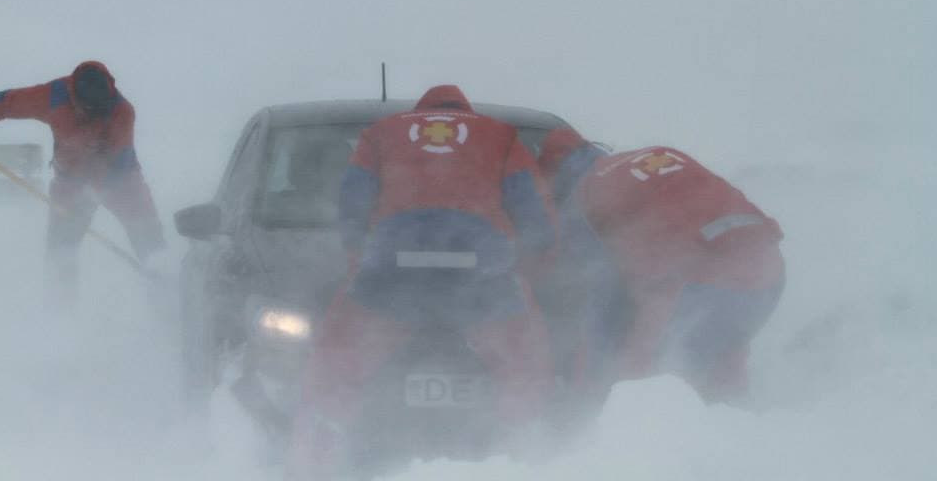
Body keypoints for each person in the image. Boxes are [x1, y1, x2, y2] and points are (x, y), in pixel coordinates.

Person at [287, 85, 556, 477]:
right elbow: (535, 214)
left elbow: (352, 201)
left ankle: (316, 455)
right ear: (465, 110)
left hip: (392, 268)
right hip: (482, 272)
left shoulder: (381, 133)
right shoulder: (500, 135)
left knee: (339, 355)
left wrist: (359, 259)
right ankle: (531, 451)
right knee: (522, 357)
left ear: (419, 111)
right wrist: (524, 268)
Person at [538, 128, 785, 404]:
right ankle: (745, 426)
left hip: (699, 285)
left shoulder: (582, 197)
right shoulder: (659, 153)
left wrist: (585, 395)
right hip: (769, 270)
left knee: (640, 377)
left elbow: (597, 303)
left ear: (555, 177)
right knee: (723, 356)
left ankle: (621, 439)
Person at [0, 61, 165, 308]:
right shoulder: (54, 97)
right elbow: (6, 102)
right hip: (70, 183)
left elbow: (116, 166)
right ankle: (60, 312)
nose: (91, 115)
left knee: (149, 240)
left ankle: (166, 297)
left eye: (97, 110)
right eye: (87, 110)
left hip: (123, 181)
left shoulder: (122, 112)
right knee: (61, 251)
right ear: (76, 97)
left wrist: (87, 195)